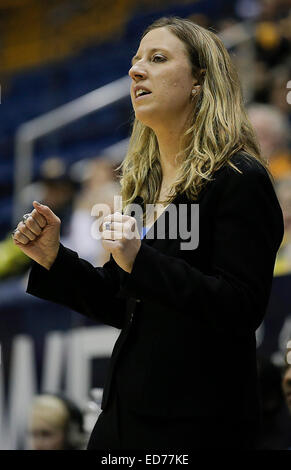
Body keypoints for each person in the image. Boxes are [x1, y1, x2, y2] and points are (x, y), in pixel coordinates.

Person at [12, 16, 284, 450]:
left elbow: (241, 306)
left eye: (157, 59)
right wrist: (53, 258)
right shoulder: (144, 186)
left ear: (199, 80)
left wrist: (142, 259)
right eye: (136, 61)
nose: (136, 70)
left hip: (197, 422)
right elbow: (127, 303)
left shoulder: (238, 177)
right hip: (125, 412)